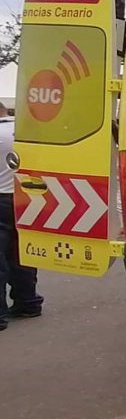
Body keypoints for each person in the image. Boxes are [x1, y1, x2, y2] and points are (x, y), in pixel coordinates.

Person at [0, 103, 43, 331]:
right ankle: (28, 302)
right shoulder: (23, 130)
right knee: (23, 252)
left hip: (0, 198)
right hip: (25, 196)